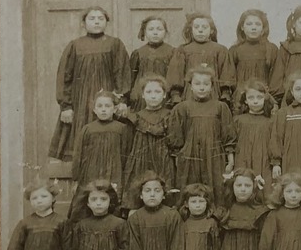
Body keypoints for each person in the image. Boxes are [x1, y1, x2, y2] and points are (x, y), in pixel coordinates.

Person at [46, 6, 130, 165]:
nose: (96, 22)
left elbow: (122, 72)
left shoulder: (115, 44)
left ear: (106, 22)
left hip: (107, 99)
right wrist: (65, 106)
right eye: (92, 18)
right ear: (83, 23)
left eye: (101, 18)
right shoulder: (75, 45)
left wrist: (122, 101)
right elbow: (65, 76)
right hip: (81, 101)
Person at [168, 66, 235, 199]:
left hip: (213, 155)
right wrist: (178, 159)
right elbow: (176, 138)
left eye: (206, 83)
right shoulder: (181, 108)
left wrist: (231, 160)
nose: (202, 87)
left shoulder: (221, 107)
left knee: (215, 189)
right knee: (189, 189)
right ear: (190, 86)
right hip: (189, 156)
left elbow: (228, 135)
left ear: (212, 86)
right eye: (197, 83)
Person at [67, 90, 132, 217]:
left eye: (107, 106)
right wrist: (76, 178)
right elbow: (78, 155)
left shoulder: (122, 129)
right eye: (100, 106)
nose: (103, 110)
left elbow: (127, 154)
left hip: (114, 173)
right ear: (94, 110)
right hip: (91, 173)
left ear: (114, 109)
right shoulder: (87, 129)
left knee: (113, 205)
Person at [122, 75, 174, 208]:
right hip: (141, 158)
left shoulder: (170, 115)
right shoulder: (136, 117)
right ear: (143, 95)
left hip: (163, 157)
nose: (153, 96)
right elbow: (128, 144)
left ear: (164, 95)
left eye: (157, 92)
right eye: (149, 92)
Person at [166, 13, 232, 105]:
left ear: (212, 30)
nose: (200, 30)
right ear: (190, 30)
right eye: (196, 27)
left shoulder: (220, 50)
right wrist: (176, 94)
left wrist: (225, 92)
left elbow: (226, 73)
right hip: (189, 94)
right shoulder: (183, 50)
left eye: (204, 27)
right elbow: (176, 74)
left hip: (213, 93)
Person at [226, 9, 279, 111]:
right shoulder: (235, 50)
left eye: (258, 24)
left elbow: (275, 77)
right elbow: (231, 78)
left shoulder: (271, 49)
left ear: (263, 28)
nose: (253, 28)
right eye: (249, 24)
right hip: (242, 99)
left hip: (264, 98)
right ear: (242, 27)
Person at [127, 16, 177, 107]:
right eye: (151, 29)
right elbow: (131, 77)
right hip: (142, 96)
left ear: (165, 32)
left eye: (159, 29)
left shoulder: (173, 52)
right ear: (144, 32)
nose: (155, 32)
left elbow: (175, 77)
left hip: (164, 94)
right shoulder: (138, 53)